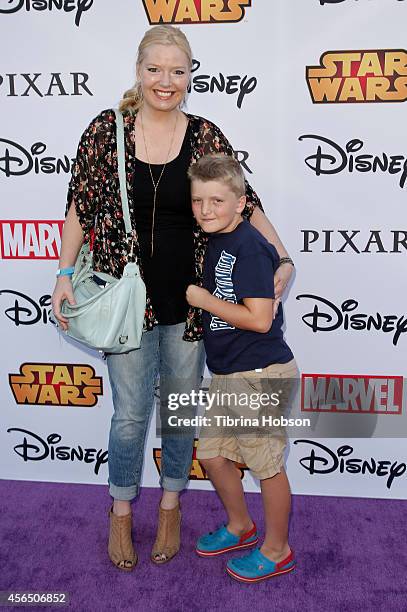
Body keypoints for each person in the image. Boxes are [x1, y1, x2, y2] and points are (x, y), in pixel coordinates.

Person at [51, 25, 294, 572]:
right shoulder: (104, 131)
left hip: (192, 307)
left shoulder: (206, 135)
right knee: (131, 416)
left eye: (178, 71)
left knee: (179, 416)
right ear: (139, 71)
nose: (166, 81)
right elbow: (79, 208)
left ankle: (170, 506)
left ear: (190, 75)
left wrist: (282, 257)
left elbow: (245, 204)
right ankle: (119, 511)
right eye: (155, 69)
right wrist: (65, 270)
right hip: (125, 305)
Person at [186, 154, 298, 583]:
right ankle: (240, 526)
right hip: (229, 374)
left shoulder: (250, 246)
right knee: (213, 456)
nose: (206, 210)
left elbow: (260, 319)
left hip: (261, 373)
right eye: (199, 201)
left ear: (241, 203)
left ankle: (277, 549)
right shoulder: (219, 239)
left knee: (266, 465)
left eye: (217, 201)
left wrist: (204, 300)